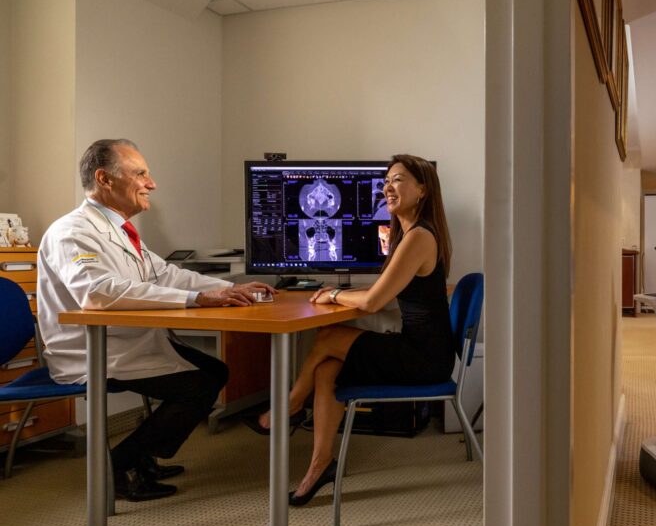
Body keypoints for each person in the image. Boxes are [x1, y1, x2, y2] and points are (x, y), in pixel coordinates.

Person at [37, 139, 276, 501]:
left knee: (215, 373)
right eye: (141, 174)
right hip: (91, 350)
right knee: (198, 386)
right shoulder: (71, 232)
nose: (152, 183)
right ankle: (117, 464)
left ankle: (141, 456)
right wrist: (198, 300)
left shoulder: (121, 231)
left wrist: (229, 288)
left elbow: (167, 275)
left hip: (129, 342)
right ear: (104, 178)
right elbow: (97, 291)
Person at [247, 154, 456, 506]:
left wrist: (335, 295)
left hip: (424, 357)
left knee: (328, 336)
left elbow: (374, 303)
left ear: (422, 189)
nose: (389, 186)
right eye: (387, 180)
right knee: (328, 369)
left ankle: (291, 406)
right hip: (421, 349)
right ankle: (320, 465)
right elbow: (384, 295)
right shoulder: (410, 233)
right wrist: (336, 295)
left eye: (399, 179)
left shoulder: (419, 237)